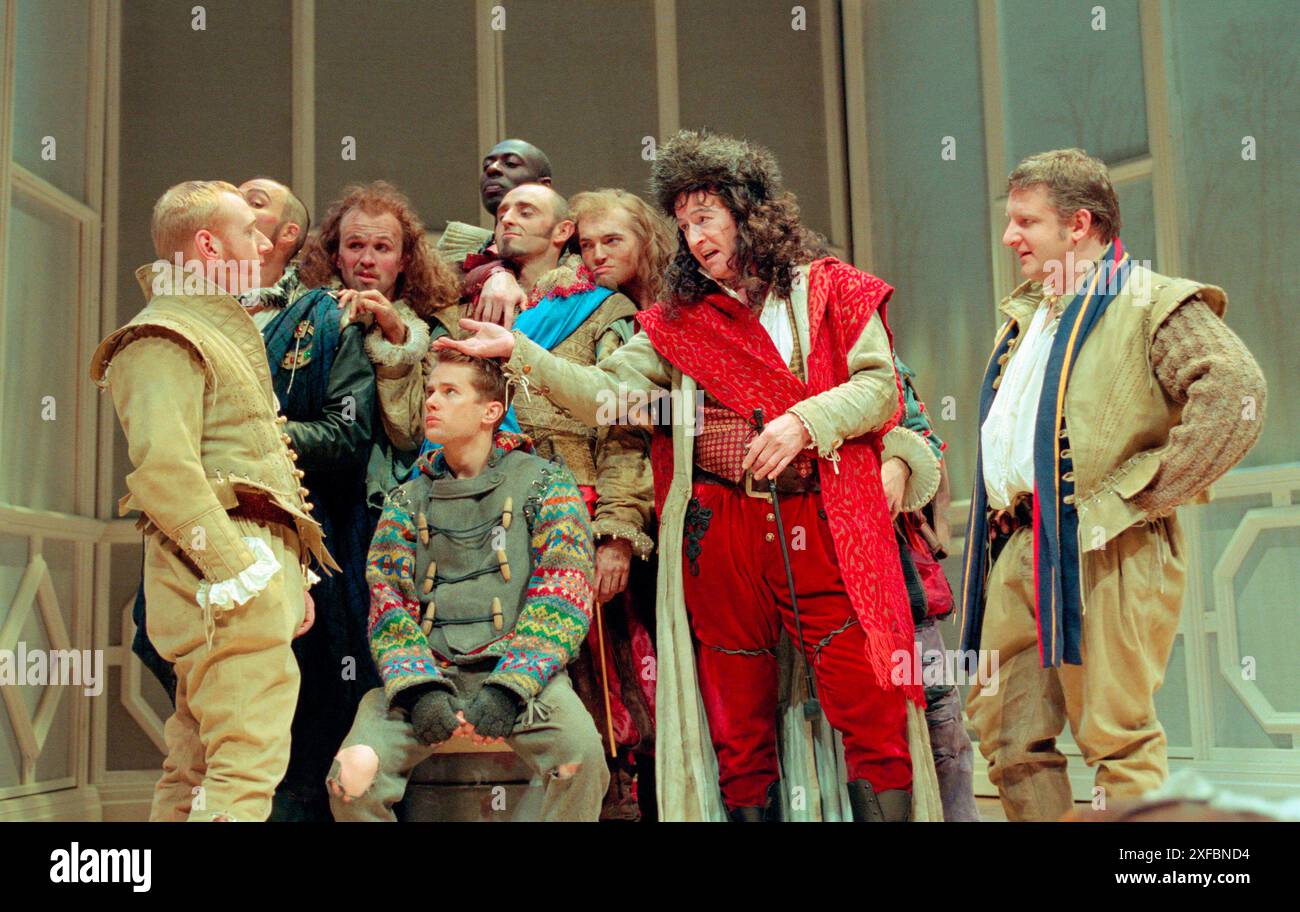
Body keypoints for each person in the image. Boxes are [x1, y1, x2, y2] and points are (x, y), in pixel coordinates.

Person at [439, 129, 943, 823]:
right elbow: (601, 392)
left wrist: (803, 423)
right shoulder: (678, 323)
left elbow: (879, 390)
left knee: (868, 704)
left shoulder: (831, 291)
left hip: (819, 517)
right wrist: (518, 350)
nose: (695, 237)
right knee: (735, 728)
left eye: (706, 217)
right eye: (682, 224)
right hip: (720, 530)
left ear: (749, 211)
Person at [959, 148, 1267, 820]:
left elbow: (1235, 390)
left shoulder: (1145, 298)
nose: (1010, 236)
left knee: (1115, 735)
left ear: (1079, 225)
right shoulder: (1028, 316)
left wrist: (1140, 493)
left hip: (1106, 544)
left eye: (1026, 222)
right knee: (1007, 737)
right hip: (1020, 545)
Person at [90, 180, 332, 821]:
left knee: (199, 761)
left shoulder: (212, 329)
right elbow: (164, 474)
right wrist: (239, 568)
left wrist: (288, 577)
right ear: (206, 243)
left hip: (246, 569)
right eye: (248, 232)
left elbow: (252, 462)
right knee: (243, 765)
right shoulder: (163, 335)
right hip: (221, 576)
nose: (263, 243)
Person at [326, 350, 608, 822]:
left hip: (521, 677)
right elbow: (388, 602)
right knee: (350, 778)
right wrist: (417, 689)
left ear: (490, 411)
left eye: (450, 392)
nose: (431, 401)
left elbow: (565, 591)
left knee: (581, 758)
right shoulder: (406, 497)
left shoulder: (546, 484)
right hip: (428, 675)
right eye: (431, 391)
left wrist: (511, 687)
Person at [297, 181, 462, 506]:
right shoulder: (306, 316)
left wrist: (396, 339)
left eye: (382, 248)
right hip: (313, 491)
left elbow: (412, 434)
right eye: (355, 245)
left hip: (399, 502)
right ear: (336, 256)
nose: (367, 259)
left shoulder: (435, 326)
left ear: (403, 260)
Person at [884, 354, 980, 822]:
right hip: (828, 581)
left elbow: (924, 437)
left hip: (903, 575)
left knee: (943, 722)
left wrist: (936, 524)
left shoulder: (881, 358)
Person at [570, 188, 676, 310]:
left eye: (612, 241)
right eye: (587, 245)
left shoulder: (687, 297)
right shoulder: (583, 313)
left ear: (644, 239)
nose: (598, 256)